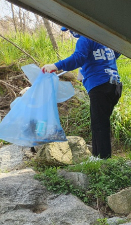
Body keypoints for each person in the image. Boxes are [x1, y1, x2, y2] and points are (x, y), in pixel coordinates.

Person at [42, 28, 122, 159]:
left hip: (99, 85)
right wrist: (84, 68)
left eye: (69, 29)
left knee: (99, 124)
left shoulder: (85, 37)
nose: (70, 33)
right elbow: (115, 54)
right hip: (115, 85)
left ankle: (102, 159)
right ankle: (97, 157)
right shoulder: (103, 38)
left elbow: (78, 57)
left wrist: (55, 66)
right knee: (100, 122)